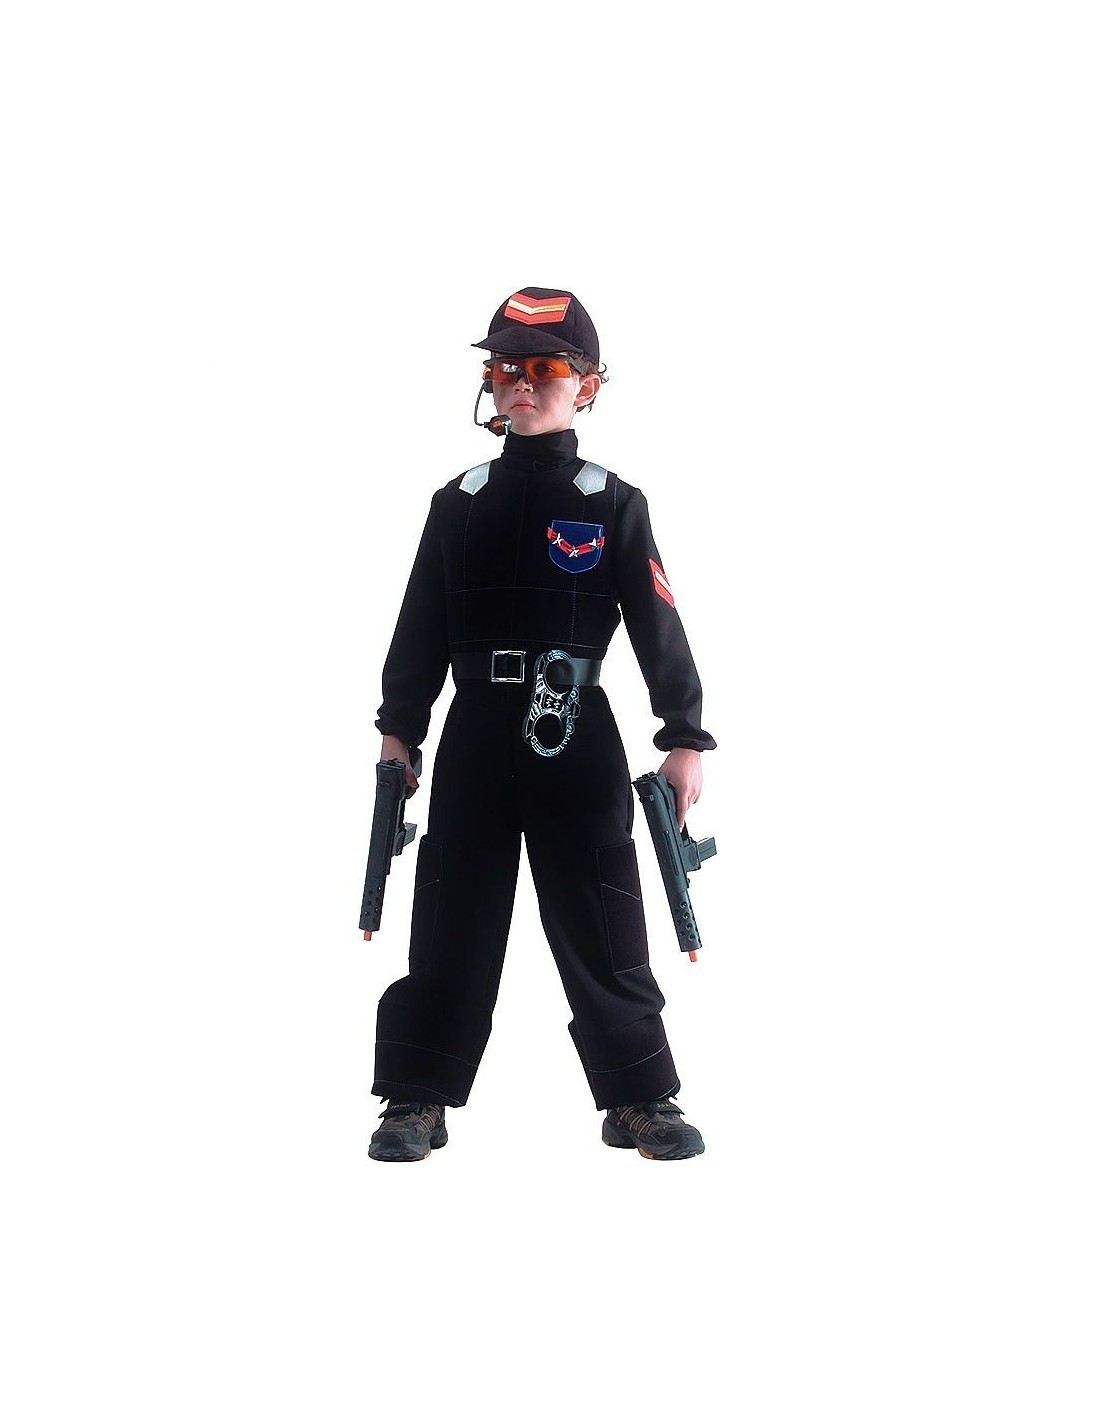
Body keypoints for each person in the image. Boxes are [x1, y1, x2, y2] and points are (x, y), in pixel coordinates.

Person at [366, 287, 716, 1162]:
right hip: (476, 733)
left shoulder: (612, 502)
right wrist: (399, 729)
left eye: (547, 368)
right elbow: (419, 625)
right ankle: (416, 1097)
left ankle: (640, 1097)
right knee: (450, 917)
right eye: (505, 369)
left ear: (587, 385)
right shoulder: (458, 501)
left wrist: (683, 736)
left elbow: (659, 625)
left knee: (605, 916)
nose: (522, 384)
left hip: (575, 730)